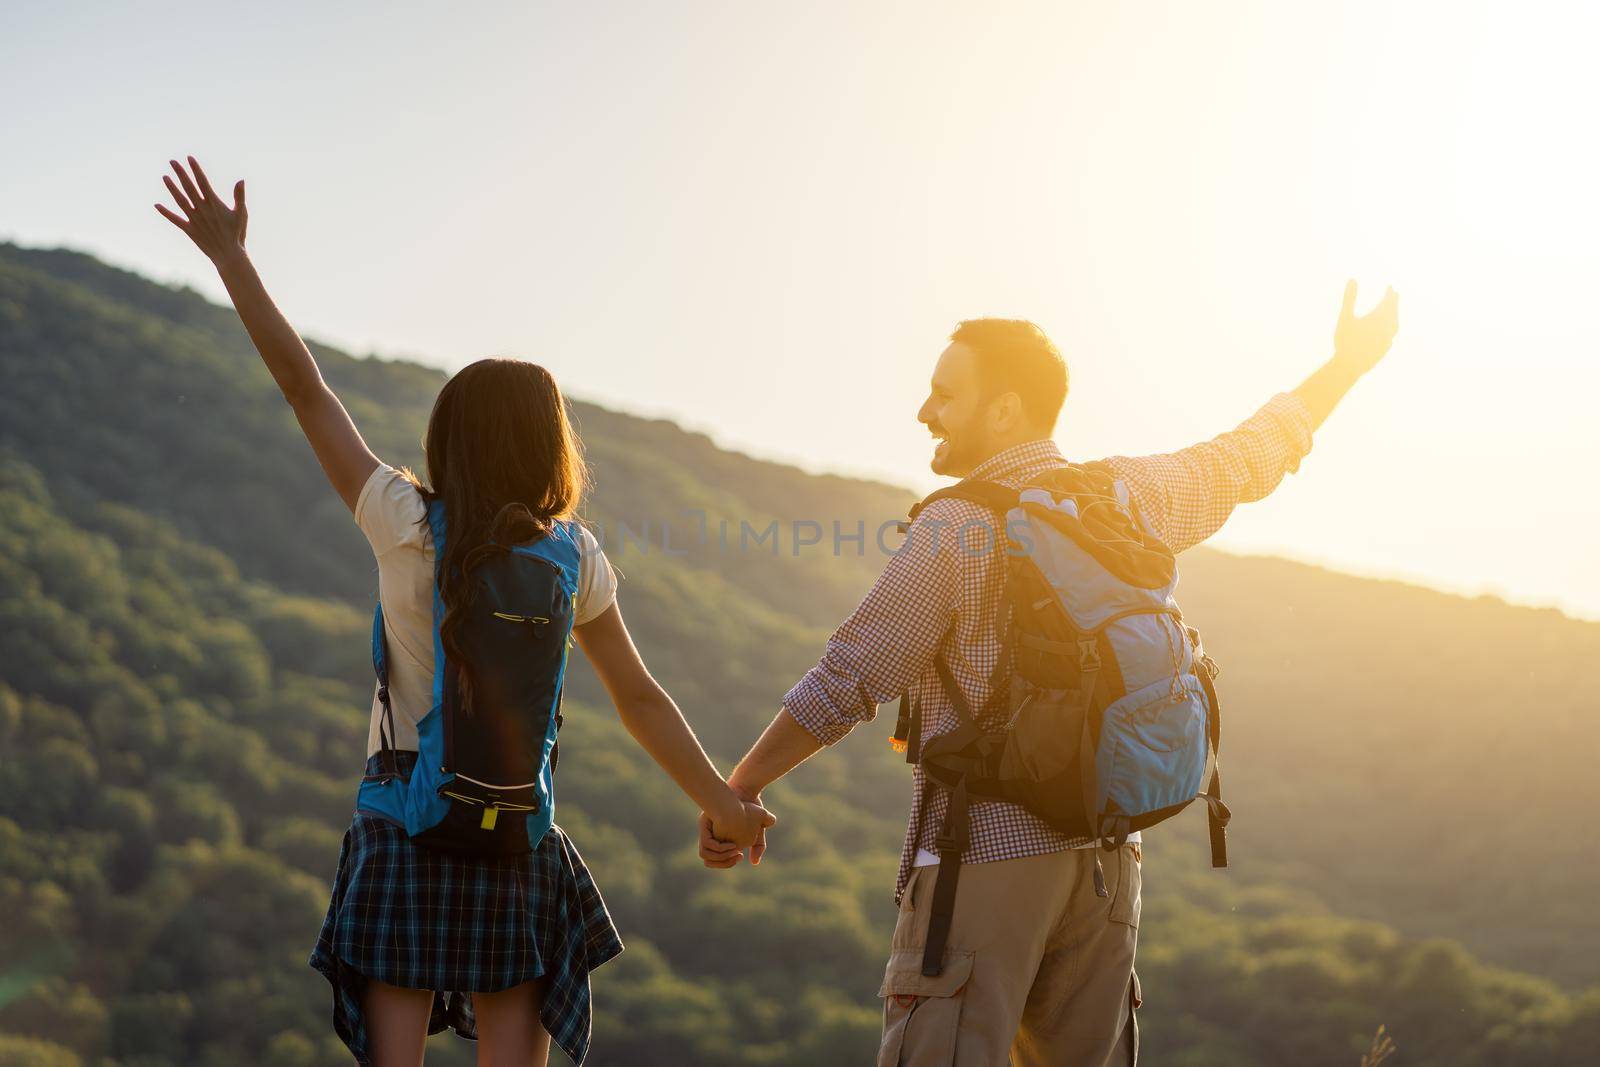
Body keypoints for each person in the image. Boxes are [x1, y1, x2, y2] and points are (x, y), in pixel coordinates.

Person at [155, 156, 774, 1067]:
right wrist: (723, 803)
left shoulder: (405, 522)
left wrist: (233, 261)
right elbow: (640, 696)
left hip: (402, 818)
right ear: (552, 449)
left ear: (448, 438)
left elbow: (304, 388)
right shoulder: (576, 557)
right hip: (518, 839)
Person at [700, 290, 1400, 1065]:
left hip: (984, 857)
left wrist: (740, 787)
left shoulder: (958, 523)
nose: (924, 411)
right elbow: (1254, 453)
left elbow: (850, 676)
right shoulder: (1128, 495)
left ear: (1003, 412)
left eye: (944, 393)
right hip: (1107, 867)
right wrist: (1346, 365)